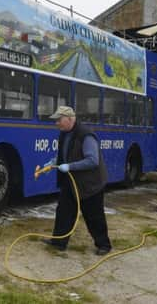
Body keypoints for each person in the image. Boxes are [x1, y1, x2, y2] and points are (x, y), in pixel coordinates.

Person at [42, 106, 112, 256]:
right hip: (71, 181)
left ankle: (103, 245)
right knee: (64, 212)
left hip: (90, 184)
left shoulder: (86, 135)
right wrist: (52, 163)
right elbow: (64, 156)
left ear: (70, 119)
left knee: (94, 215)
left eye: (59, 120)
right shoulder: (64, 134)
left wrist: (70, 166)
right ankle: (59, 241)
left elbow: (93, 160)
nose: (57, 123)